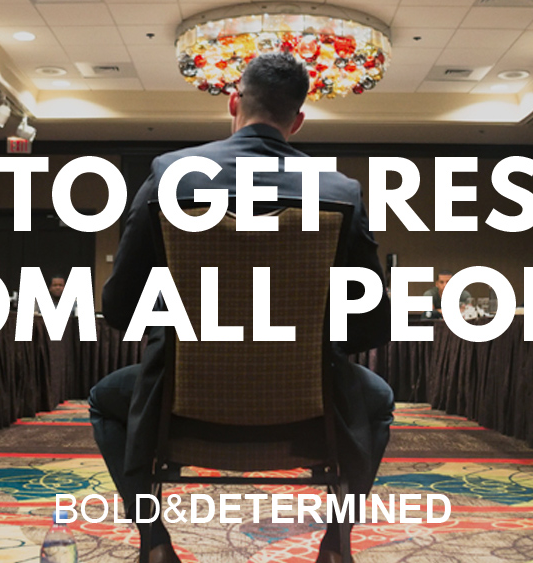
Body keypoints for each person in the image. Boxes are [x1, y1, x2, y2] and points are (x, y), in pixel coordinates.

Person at [90, 53, 392, 563]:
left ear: (233, 103)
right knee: (379, 400)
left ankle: (155, 542)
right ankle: (336, 544)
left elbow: (120, 308)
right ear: (298, 120)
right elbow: (372, 325)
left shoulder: (169, 176)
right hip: (310, 415)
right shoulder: (341, 192)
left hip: (179, 411)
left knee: (104, 401)